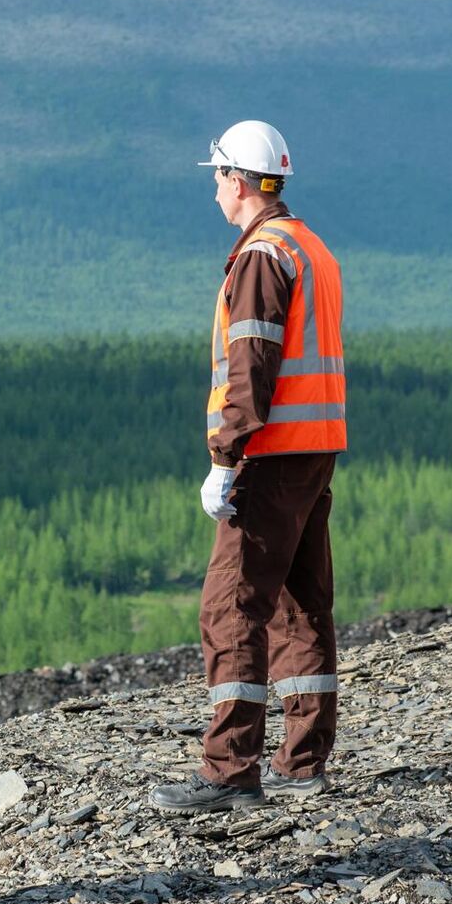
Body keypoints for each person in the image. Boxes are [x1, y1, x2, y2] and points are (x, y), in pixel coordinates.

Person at [149, 122, 347, 815]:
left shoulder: (263, 256)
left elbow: (251, 368)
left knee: (231, 609)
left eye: (216, 174)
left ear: (238, 180)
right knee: (302, 602)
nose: (213, 185)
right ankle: (303, 762)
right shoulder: (309, 246)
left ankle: (230, 773)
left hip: (268, 454)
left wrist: (225, 458)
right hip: (315, 450)